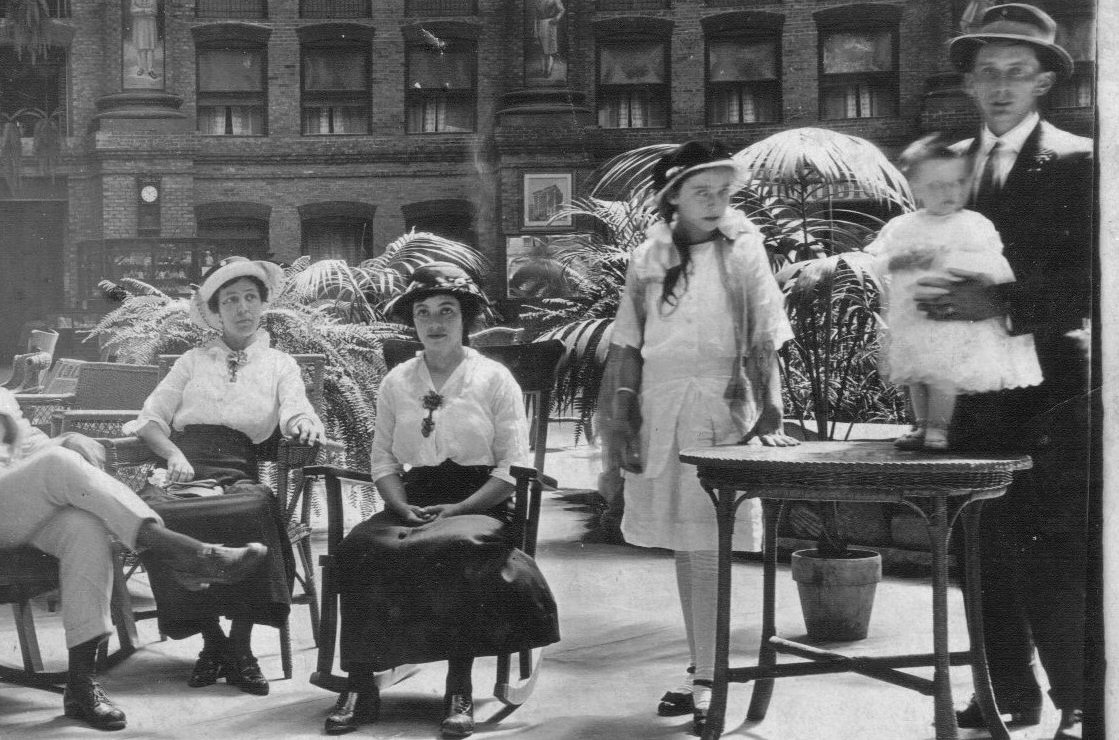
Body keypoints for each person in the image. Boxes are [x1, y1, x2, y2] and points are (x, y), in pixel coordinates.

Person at [0, 278, 267, 731]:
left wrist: (67, 437)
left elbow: (36, 449)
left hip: (11, 510)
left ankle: (81, 685)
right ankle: (177, 551)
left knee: (84, 526)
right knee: (58, 465)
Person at [914, 6, 1094, 739]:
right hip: (969, 392)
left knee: (1056, 550)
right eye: (986, 71)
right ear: (967, 80)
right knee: (978, 547)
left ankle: (1082, 699)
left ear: (1045, 80)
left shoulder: (1083, 160)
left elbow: (1095, 278)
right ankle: (1004, 698)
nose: (999, 86)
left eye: (1017, 72)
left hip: (1051, 390)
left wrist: (999, 299)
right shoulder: (946, 167)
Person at [602, 141, 797, 734]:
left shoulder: (745, 251)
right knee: (689, 549)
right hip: (663, 408)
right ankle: (702, 667)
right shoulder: (648, 258)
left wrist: (772, 412)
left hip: (723, 406)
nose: (715, 202)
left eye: (722, 191)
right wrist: (623, 420)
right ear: (673, 198)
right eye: (700, 192)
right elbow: (629, 343)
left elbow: (765, 333)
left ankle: (712, 677)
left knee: (711, 545)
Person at [322, 263, 559, 739]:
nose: (434, 322)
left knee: (456, 547)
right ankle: (362, 684)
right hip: (414, 497)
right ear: (413, 321)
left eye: (446, 311)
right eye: (423, 312)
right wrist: (400, 505)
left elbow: (512, 467)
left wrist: (460, 508)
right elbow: (383, 459)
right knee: (362, 547)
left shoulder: (493, 378)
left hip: (483, 500)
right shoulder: (397, 382)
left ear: (465, 318)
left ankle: (459, 686)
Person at [125, 257, 325, 697]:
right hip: (186, 469)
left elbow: (294, 408)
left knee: (255, 507)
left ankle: (240, 647)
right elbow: (150, 420)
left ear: (262, 304)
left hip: (238, 470)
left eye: (250, 297)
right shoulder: (192, 362)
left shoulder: (279, 364)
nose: (241, 308)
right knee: (153, 513)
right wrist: (173, 453)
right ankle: (212, 642)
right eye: (230, 300)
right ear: (216, 311)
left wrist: (304, 422)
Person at [866, 135, 1041, 451]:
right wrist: (903, 259)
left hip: (951, 314)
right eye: (936, 186)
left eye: (957, 183)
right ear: (916, 189)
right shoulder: (902, 226)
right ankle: (920, 426)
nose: (949, 192)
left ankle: (938, 430)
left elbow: (993, 265)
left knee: (941, 370)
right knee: (916, 375)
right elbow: (878, 263)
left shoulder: (972, 224)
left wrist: (955, 265)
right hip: (913, 315)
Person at [532, 0, 565, 77]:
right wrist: (535, 29)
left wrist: (556, 18)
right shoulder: (538, 2)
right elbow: (536, 17)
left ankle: (548, 70)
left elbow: (562, 10)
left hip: (550, 24)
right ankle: (543, 70)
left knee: (550, 49)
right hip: (540, 25)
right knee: (541, 49)